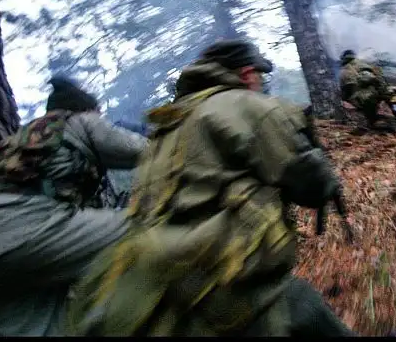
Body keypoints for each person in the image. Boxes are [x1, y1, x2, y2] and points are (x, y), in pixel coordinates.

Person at [63, 39, 357, 337]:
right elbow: (309, 185)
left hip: (164, 278)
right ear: (246, 74)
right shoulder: (244, 104)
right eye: (259, 75)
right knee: (301, 309)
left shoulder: (170, 123)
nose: (261, 82)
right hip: (223, 271)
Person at [0, 77, 147, 336]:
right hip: (27, 222)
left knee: (36, 320)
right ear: (88, 109)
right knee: (146, 229)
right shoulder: (79, 121)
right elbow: (142, 150)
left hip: (5, 243)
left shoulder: (20, 140)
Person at [338, 49, 396, 127]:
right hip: (378, 91)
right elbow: (379, 78)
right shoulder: (365, 63)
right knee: (390, 95)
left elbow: (346, 92)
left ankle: (375, 121)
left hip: (364, 99)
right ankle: (395, 108)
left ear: (343, 58)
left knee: (371, 117)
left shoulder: (343, 71)